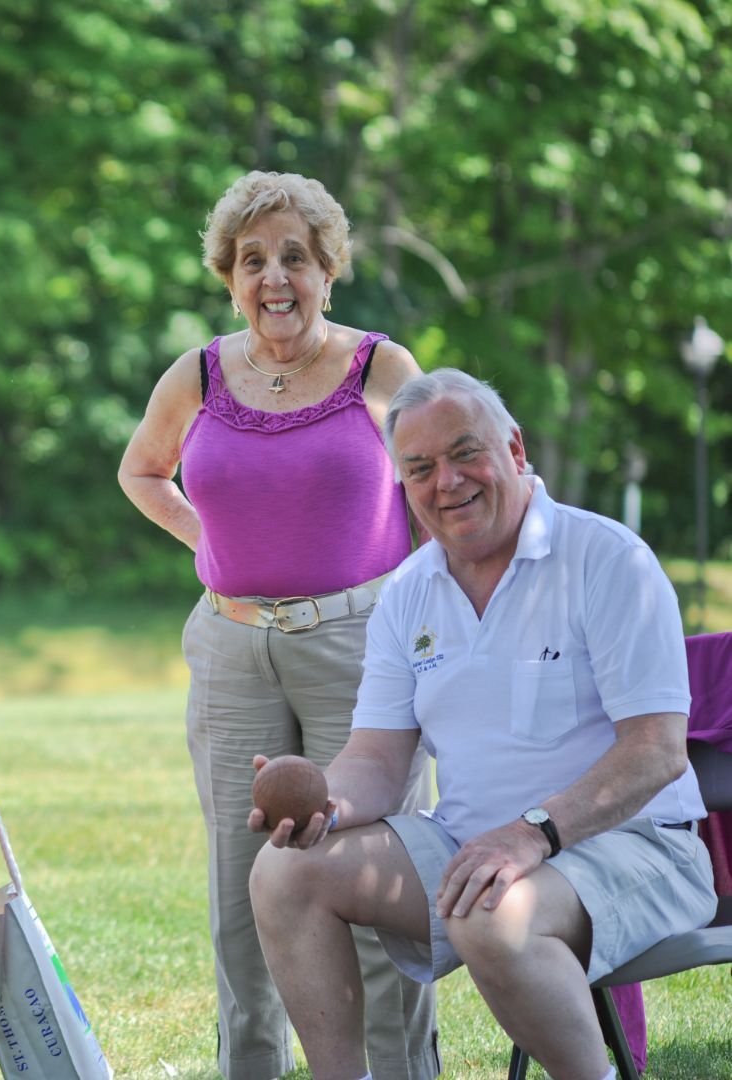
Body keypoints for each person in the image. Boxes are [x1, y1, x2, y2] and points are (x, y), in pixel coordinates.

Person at [249, 369, 717, 1080]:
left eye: (465, 453)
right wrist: (324, 802)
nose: (447, 481)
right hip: (475, 851)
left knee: (493, 910)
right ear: (402, 486)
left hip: (638, 847)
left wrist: (532, 832)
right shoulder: (407, 593)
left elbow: (654, 753)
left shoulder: (607, 559)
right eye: (420, 468)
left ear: (515, 450)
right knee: (284, 872)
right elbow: (376, 759)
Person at [117, 170, 437, 1079]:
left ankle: (396, 1070)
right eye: (252, 259)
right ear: (228, 276)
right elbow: (142, 471)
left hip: (362, 646)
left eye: (294, 256)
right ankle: (247, 1067)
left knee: (372, 872)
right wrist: (202, 535)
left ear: (327, 269)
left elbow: (439, 483)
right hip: (230, 648)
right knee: (237, 887)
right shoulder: (200, 374)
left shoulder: (382, 369)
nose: (274, 278)